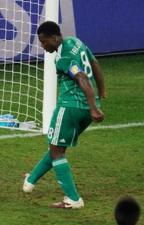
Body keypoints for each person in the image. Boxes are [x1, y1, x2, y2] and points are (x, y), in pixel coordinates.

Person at [22, 21, 106, 209]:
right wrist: (101, 91)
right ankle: (31, 180)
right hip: (85, 108)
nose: (42, 46)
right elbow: (95, 63)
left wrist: (94, 108)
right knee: (57, 145)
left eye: (44, 42)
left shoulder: (63, 58)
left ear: (54, 37)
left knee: (56, 150)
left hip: (70, 106)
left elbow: (81, 78)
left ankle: (73, 199)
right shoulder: (76, 43)